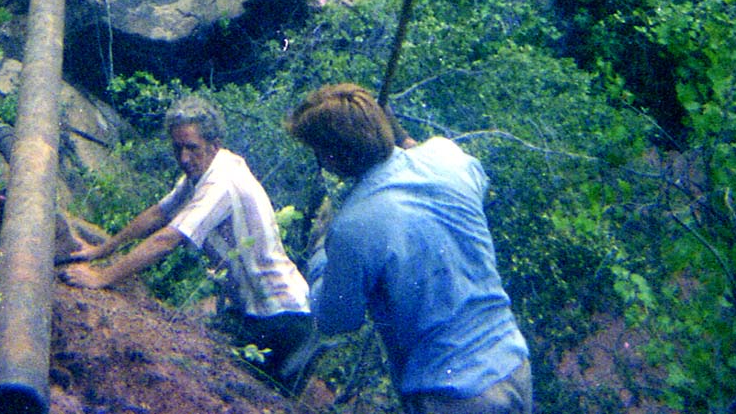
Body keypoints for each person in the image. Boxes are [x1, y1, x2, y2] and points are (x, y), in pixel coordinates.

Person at [285, 83, 533, 414]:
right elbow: (470, 174)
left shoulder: (353, 225)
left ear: (331, 158)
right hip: (512, 364)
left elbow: (335, 320)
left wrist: (321, 249)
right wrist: (401, 140)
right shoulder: (447, 157)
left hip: (451, 393)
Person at [62, 94, 316, 394]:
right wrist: (102, 250)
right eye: (177, 147)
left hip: (282, 318)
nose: (184, 158)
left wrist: (102, 277)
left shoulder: (222, 180)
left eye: (191, 148)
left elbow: (168, 238)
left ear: (214, 144)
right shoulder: (205, 169)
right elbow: (159, 213)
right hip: (256, 311)